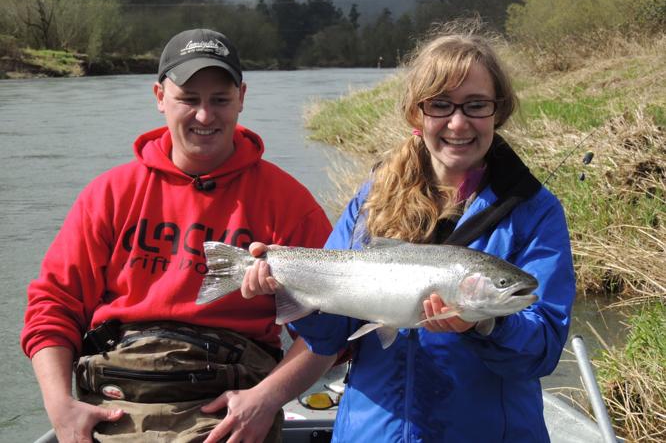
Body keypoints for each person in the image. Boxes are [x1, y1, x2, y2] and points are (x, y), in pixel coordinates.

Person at [243, 26, 576, 442]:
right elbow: (331, 337)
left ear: (498, 111)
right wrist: (292, 291)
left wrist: (484, 325)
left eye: (476, 105)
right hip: (371, 431)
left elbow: (543, 348)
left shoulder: (534, 211)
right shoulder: (374, 196)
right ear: (417, 114)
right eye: (441, 105)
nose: (458, 123)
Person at [21, 28, 332, 443]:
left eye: (219, 100)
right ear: (159, 97)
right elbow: (53, 306)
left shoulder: (290, 203)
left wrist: (267, 398)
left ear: (242, 97)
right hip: (115, 402)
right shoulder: (110, 195)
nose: (205, 116)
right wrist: (61, 407)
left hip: (229, 411)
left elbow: (332, 323)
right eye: (189, 99)